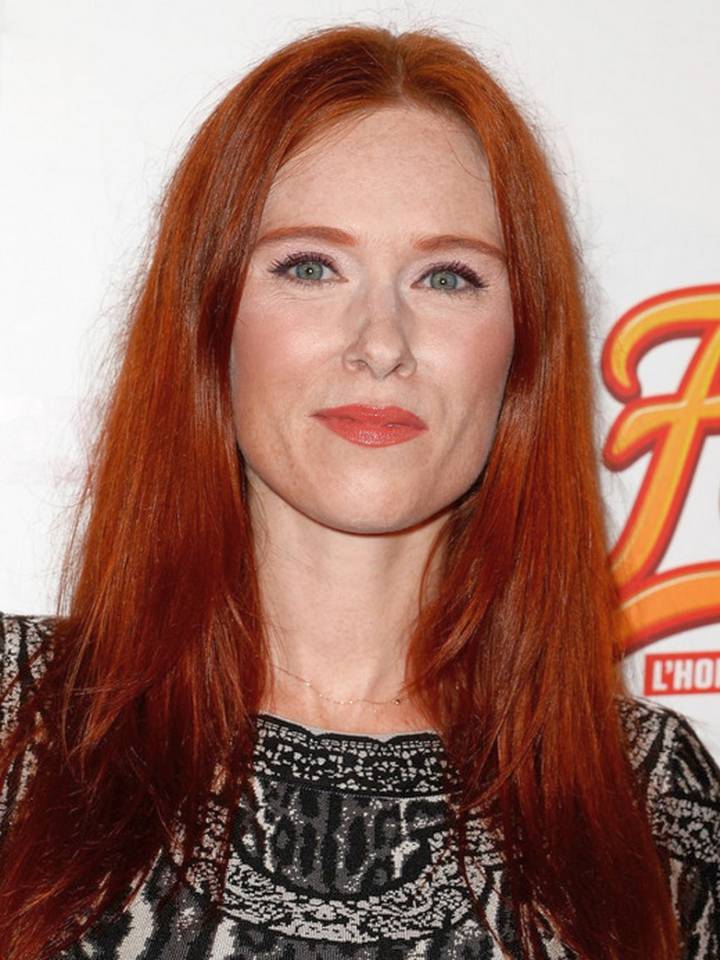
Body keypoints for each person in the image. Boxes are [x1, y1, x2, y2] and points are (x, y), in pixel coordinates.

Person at [0, 21, 718, 960]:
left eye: (448, 277)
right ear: (209, 320)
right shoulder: (16, 726)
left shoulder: (651, 803)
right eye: (310, 266)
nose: (381, 343)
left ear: (524, 350)